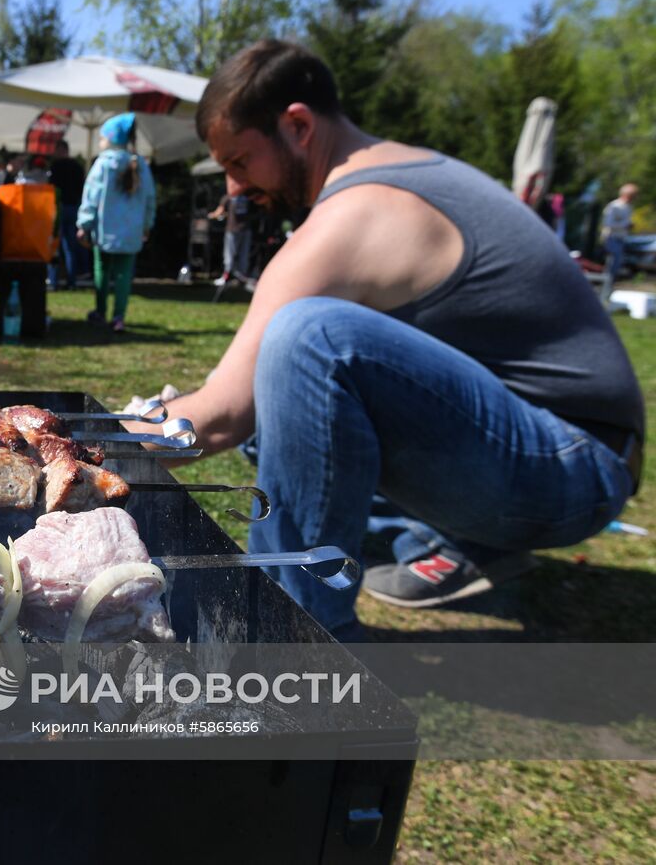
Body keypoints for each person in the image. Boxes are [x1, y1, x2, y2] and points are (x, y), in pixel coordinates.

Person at [121, 40, 643, 641]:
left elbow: (220, 414)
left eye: (240, 162)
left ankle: (297, 636)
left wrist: (75, 446)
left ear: (297, 126)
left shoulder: (354, 215)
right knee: (279, 435)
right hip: (573, 450)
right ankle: (451, 542)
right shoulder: (401, 170)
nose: (234, 188)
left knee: (307, 340)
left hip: (569, 469)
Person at [76, 113, 156, 333]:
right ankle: (119, 316)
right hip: (131, 232)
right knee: (123, 275)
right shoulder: (140, 164)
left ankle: (100, 311)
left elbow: (91, 196)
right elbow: (150, 198)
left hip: (105, 230)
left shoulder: (103, 164)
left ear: (110, 139)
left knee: (102, 270)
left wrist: (84, 224)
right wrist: (147, 224)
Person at [49, 139, 87, 289]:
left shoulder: (56, 167)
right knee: (70, 246)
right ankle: (71, 280)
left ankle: (54, 280)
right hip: (74, 207)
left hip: (61, 207)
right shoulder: (77, 167)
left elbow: (51, 188)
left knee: (56, 243)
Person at [600, 183, 639, 305]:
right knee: (610, 268)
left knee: (615, 268)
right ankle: (603, 294)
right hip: (611, 239)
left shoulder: (628, 207)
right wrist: (624, 225)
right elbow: (608, 223)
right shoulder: (614, 206)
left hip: (621, 239)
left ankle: (608, 295)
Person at [208, 190, 255, 286]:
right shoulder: (248, 196)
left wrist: (211, 215)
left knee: (229, 255)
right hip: (246, 229)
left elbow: (219, 212)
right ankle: (242, 279)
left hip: (232, 229)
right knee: (243, 256)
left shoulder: (228, 196)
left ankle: (227, 277)